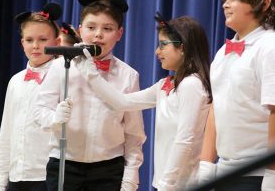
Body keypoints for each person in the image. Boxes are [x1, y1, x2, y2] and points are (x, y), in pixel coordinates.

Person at [74, 13, 212, 190]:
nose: (157, 51)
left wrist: (167, 184)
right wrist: (91, 74)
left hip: (183, 184)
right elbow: (121, 102)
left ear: (183, 47)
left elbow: (185, 139)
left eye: (163, 45)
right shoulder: (165, 84)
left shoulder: (191, 84)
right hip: (167, 182)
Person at [199, 0, 275, 191]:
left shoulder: (272, 48)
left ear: (263, 4)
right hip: (228, 171)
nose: (225, 4)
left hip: (261, 175)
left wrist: (273, 178)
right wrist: (205, 166)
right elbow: (216, 109)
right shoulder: (224, 52)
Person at [33, 0, 146, 191]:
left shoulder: (128, 76)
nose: (98, 34)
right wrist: (55, 117)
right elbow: (39, 112)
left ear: (120, 33)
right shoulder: (60, 67)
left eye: (108, 28)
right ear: (80, 30)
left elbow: (134, 135)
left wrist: (130, 180)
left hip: (108, 168)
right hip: (65, 164)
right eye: (91, 27)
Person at [0, 3, 62, 191]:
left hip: (48, 176)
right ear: (22, 43)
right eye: (29, 40)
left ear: (57, 42)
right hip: (16, 176)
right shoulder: (15, 81)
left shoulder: (64, 76)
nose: (36, 46)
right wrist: (0, 182)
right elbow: (6, 132)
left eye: (43, 39)